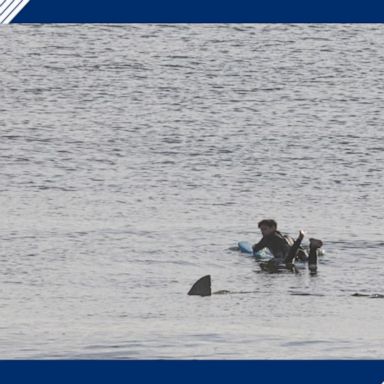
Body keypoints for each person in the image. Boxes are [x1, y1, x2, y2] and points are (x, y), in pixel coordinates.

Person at [253, 219, 323, 273]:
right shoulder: (287, 237)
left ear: (273, 228)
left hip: (288, 256)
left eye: (265, 229)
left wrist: (254, 247)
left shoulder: (267, 239)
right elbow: (300, 248)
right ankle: (313, 248)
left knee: (287, 261)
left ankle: (300, 238)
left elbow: (256, 249)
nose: (262, 232)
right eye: (261, 230)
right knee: (311, 264)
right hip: (299, 253)